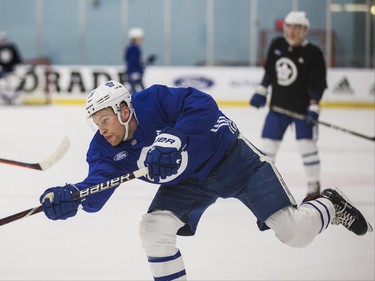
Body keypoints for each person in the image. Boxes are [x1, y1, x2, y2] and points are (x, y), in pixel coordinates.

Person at [39, 80, 372, 281]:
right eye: (96, 123)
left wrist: (174, 137)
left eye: (106, 119)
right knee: (152, 229)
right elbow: (96, 190)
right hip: (187, 184)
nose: (102, 129)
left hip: (234, 161)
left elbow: (201, 104)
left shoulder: (152, 100)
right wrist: (72, 196)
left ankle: (331, 203)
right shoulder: (103, 148)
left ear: (125, 110)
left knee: (296, 234)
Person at [249, 11, 327, 196]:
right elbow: (270, 71)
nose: (292, 31)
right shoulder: (277, 45)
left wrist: (314, 105)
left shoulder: (313, 53)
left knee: (306, 147)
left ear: (305, 30)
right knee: (267, 147)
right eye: (289, 26)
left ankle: (313, 185)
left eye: (297, 27)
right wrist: (262, 89)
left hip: (302, 110)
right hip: (278, 108)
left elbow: (318, 82)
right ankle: (265, 184)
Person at [124, 27, 156, 94]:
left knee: (139, 92)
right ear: (136, 38)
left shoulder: (133, 47)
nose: (142, 39)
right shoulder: (133, 48)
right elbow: (133, 61)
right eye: (140, 38)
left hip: (134, 73)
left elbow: (137, 59)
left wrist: (147, 59)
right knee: (140, 93)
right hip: (134, 73)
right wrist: (135, 72)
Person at [0, 31, 23, 105]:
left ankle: (14, 98)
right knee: (2, 83)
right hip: (3, 69)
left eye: (3, 39)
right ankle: (4, 98)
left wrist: (18, 66)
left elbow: (17, 58)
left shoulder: (11, 47)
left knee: (14, 83)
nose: (2, 41)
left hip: (12, 68)